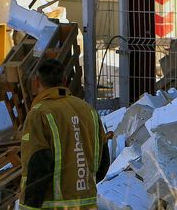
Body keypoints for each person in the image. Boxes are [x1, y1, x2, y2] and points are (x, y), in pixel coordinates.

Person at [19, 58, 110, 210]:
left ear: (36, 82)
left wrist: (30, 206)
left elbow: (38, 163)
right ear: (65, 80)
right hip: (87, 203)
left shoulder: (39, 113)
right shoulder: (88, 110)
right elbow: (103, 161)